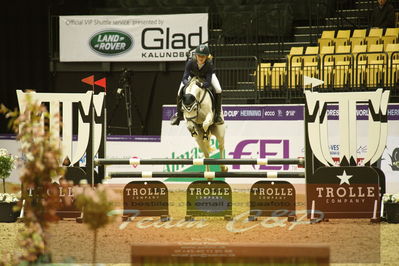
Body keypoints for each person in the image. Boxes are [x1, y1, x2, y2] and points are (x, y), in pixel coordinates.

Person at [170, 44, 224, 126]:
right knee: (179, 91)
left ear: (207, 57)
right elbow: (184, 77)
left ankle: (217, 115)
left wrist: (201, 84)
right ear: (196, 55)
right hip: (192, 76)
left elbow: (208, 82)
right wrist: (187, 84)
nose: (201, 58)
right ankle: (179, 115)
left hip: (206, 76)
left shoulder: (209, 64)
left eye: (203, 56)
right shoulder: (190, 62)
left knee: (218, 89)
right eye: (199, 56)